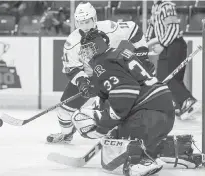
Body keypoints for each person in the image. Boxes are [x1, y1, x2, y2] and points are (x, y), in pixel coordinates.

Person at [71, 28, 205, 176]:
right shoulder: (116, 54)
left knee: (85, 119)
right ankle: (181, 151)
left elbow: (125, 91)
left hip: (147, 116)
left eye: (87, 49)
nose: (85, 54)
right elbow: (124, 86)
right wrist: (95, 88)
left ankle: (139, 161)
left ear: (97, 47)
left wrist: (103, 125)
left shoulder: (102, 62)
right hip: (159, 114)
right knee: (125, 133)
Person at [47, 2, 155, 143]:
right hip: (90, 75)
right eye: (80, 22)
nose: (84, 26)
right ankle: (66, 134)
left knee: (115, 105)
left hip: (113, 73)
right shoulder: (72, 42)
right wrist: (82, 82)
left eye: (87, 21)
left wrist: (142, 55)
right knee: (64, 110)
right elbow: (71, 68)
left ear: (94, 19)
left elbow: (134, 30)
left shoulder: (109, 27)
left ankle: (117, 130)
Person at [146, 0, 200, 120]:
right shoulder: (155, 7)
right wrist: (144, 43)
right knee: (168, 77)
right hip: (169, 46)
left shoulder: (166, 6)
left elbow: (173, 27)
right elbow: (151, 27)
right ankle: (180, 105)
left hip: (174, 45)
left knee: (168, 76)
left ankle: (187, 101)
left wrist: (163, 45)